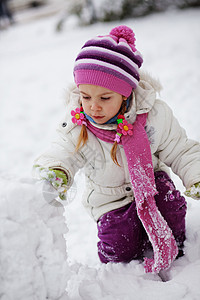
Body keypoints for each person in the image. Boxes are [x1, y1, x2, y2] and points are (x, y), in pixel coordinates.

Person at [33, 25, 200, 274]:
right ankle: (128, 246)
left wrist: (195, 174)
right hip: (109, 199)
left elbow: (180, 150)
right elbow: (63, 150)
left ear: (125, 94)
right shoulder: (79, 126)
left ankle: (168, 238)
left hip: (152, 185)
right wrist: (57, 170)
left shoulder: (154, 116)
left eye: (104, 98)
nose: (93, 107)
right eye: (85, 97)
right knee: (120, 247)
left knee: (172, 211)